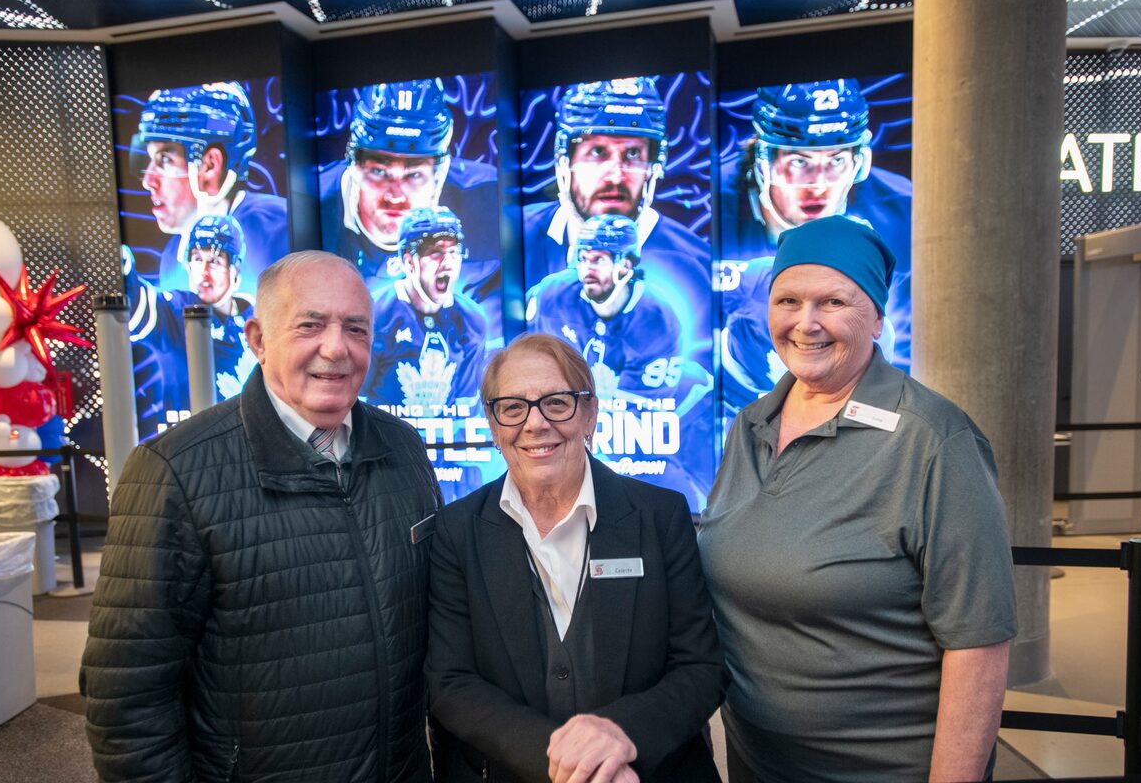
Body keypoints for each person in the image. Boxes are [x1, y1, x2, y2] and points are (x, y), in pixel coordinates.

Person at [81, 251, 442, 782]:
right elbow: (127, 692)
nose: (336, 348)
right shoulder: (175, 470)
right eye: (310, 325)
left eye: (356, 329)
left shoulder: (403, 449)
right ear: (257, 339)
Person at [698, 215, 1017, 783]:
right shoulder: (750, 425)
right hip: (756, 765)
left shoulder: (934, 442)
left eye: (834, 302)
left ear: (876, 317)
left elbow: (979, 645)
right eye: (788, 300)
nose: (806, 323)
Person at [425, 333, 727, 782]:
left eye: (557, 402)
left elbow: (701, 668)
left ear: (590, 413)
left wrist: (619, 737)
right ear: (492, 425)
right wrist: (567, 765)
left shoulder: (660, 516)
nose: (535, 424)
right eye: (513, 407)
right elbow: (451, 684)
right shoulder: (456, 531)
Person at [719, 79, 912, 406]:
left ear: (859, 162)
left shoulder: (903, 210)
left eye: (835, 161)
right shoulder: (711, 205)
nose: (818, 185)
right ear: (763, 160)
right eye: (799, 162)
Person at [521, 77, 711, 333]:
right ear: (563, 161)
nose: (615, 176)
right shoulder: (514, 238)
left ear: (655, 166)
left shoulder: (697, 267)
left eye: (632, 154)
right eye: (597, 152)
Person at [318, 78, 499, 296]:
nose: (395, 196)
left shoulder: (490, 204)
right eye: (379, 171)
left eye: (413, 175)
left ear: (439, 175)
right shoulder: (311, 207)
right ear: (353, 165)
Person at [132, 81, 289, 294]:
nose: (148, 181)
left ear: (210, 166)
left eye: (165, 160)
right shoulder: (172, 256)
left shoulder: (277, 227)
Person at [526, 214, 683, 403]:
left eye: (598, 260)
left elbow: (642, 413)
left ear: (625, 265)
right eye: (583, 258)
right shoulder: (551, 294)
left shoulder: (657, 322)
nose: (587, 269)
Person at [124, 214, 257, 437]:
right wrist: (126, 270)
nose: (203, 272)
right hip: (190, 445)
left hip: (250, 444)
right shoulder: (178, 310)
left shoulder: (257, 317)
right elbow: (140, 304)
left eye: (214, 261)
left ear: (235, 268)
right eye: (196, 259)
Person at [364, 205, 488, 410]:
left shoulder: (471, 319)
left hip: (445, 437)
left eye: (454, 252)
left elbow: (465, 407)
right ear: (409, 260)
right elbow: (357, 401)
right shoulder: (375, 314)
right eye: (436, 252)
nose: (448, 262)